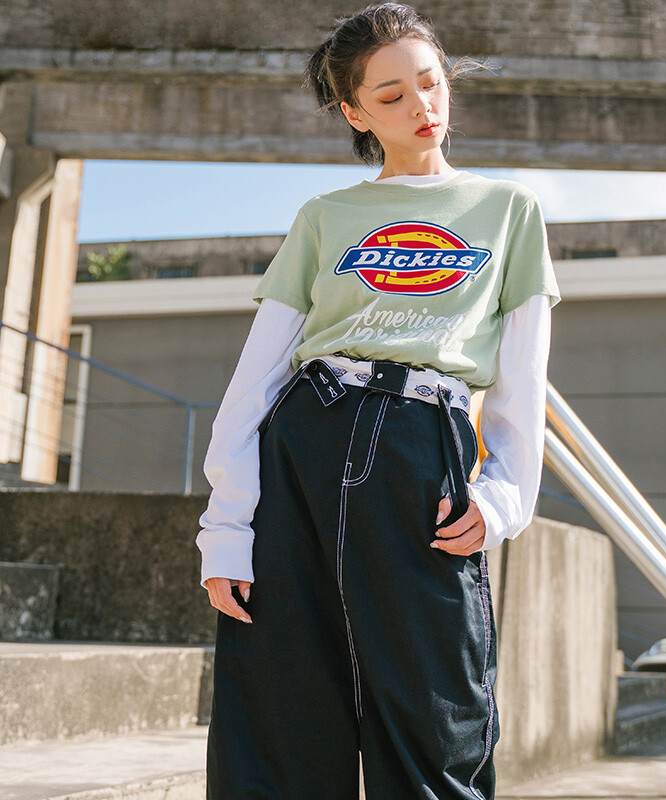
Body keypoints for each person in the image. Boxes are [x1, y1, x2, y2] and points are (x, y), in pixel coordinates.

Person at [196, 3, 560, 798]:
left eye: (430, 82)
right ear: (355, 112)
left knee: (435, 723)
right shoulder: (325, 218)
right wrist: (226, 530)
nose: (422, 105)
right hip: (304, 450)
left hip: (420, 453)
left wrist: (503, 499)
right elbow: (256, 378)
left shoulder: (509, 212)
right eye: (391, 96)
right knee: (280, 726)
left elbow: (521, 380)